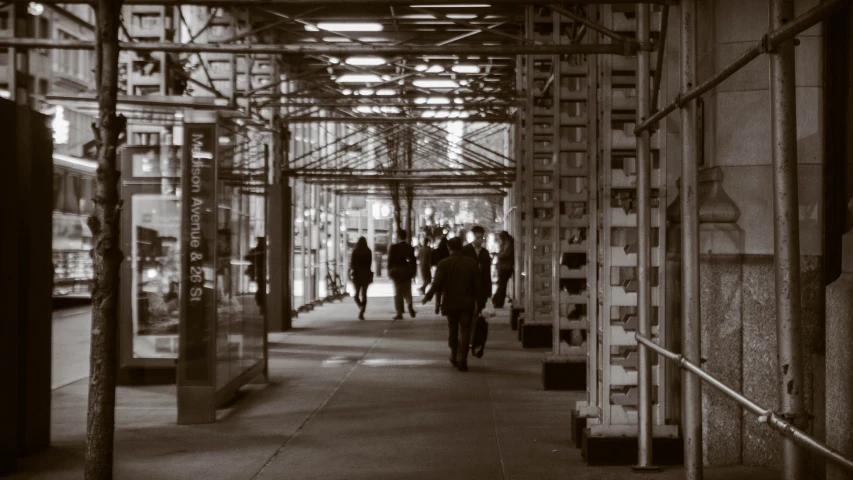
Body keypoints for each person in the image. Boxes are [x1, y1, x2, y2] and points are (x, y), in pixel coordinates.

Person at [423, 237, 481, 372]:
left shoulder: (443, 264)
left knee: (453, 330)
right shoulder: (472, 263)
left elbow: (437, 283)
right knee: (465, 330)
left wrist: (428, 296)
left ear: (449, 248)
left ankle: (454, 355)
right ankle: (463, 359)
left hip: (450, 302)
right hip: (467, 302)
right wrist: (480, 302)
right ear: (461, 247)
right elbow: (478, 285)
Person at [462, 225, 493, 315]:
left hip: (482, 286)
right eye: (477, 237)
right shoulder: (465, 250)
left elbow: (487, 272)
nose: (480, 240)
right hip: (468, 285)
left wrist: (489, 289)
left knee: (480, 311)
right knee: (468, 311)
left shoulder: (485, 252)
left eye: (481, 238)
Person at [387, 229, 417, 320]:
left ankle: (399, 312)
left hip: (397, 272)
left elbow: (390, 261)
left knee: (398, 292)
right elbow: (413, 261)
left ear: (398, 237)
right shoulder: (410, 248)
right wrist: (413, 273)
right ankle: (410, 305)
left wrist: (389, 271)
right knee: (407, 290)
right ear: (406, 236)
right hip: (407, 272)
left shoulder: (394, 247)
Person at [349, 236, 373, 321]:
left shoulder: (355, 251)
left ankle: (360, 306)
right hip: (366, 274)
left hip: (357, 274)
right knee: (364, 294)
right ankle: (362, 312)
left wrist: (351, 272)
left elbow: (352, 263)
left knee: (356, 294)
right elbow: (369, 263)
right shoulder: (368, 251)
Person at [493, 231, 515, 308]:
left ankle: (498, 301)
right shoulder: (507, 243)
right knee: (501, 285)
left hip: (505, 267)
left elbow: (505, 254)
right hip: (504, 267)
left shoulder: (508, 243)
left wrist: (498, 255)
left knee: (502, 285)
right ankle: (497, 300)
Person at [245, 237, 266, 315]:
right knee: (261, 288)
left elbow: (247, 257)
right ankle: (262, 306)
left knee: (260, 288)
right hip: (260, 272)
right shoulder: (261, 250)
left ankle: (262, 306)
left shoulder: (256, 250)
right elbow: (248, 257)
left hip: (259, 272)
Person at [430, 237, 449, 314]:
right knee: (445, 291)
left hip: (437, 272)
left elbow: (431, 263)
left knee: (438, 290)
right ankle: (443, 306)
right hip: (447, 273)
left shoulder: (434, 252)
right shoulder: (448, 252)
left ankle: (437, 304)